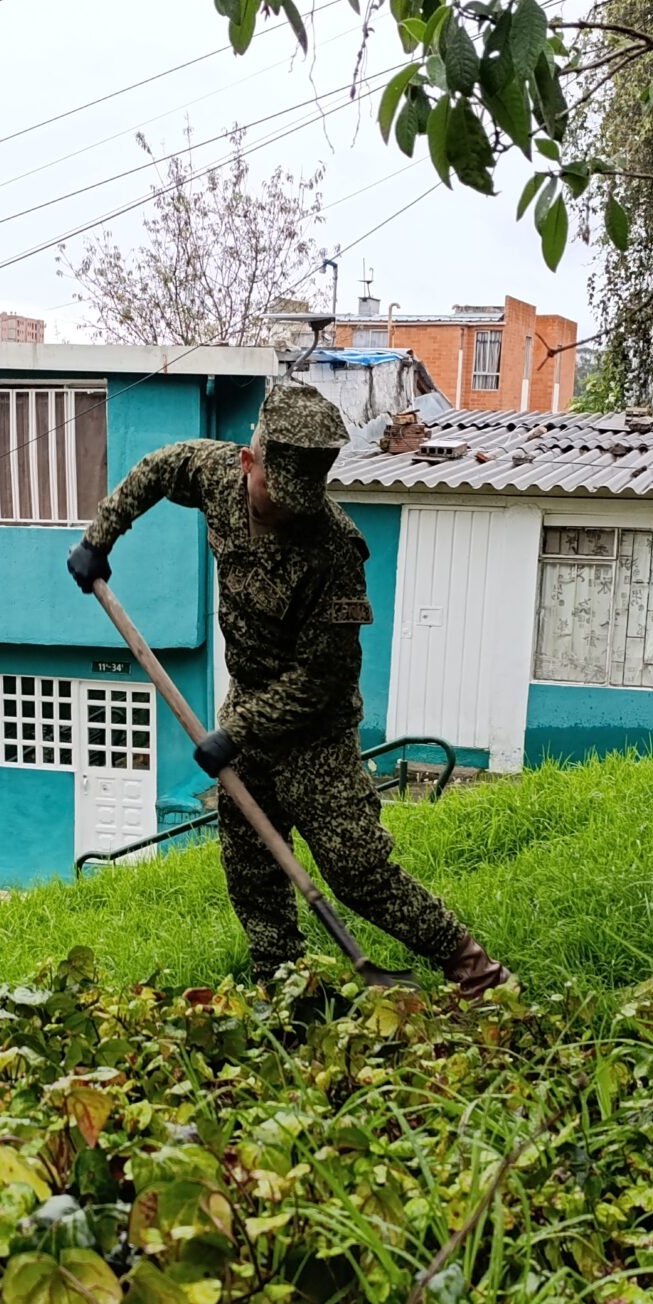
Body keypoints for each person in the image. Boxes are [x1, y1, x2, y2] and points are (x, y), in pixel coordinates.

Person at [65, 378, 509, 996]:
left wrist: (235, 733)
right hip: (247, 701)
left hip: (313, 729)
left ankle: (475, 970)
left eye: (303, 500)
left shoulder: (333, 550)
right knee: (251, 865)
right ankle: (286, 987)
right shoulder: (218, 476)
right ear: (249, 461)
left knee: (357, 868)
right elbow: (157, 471)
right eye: (277, 496)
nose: (288, 513)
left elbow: (321, 678)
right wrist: (99, 537)